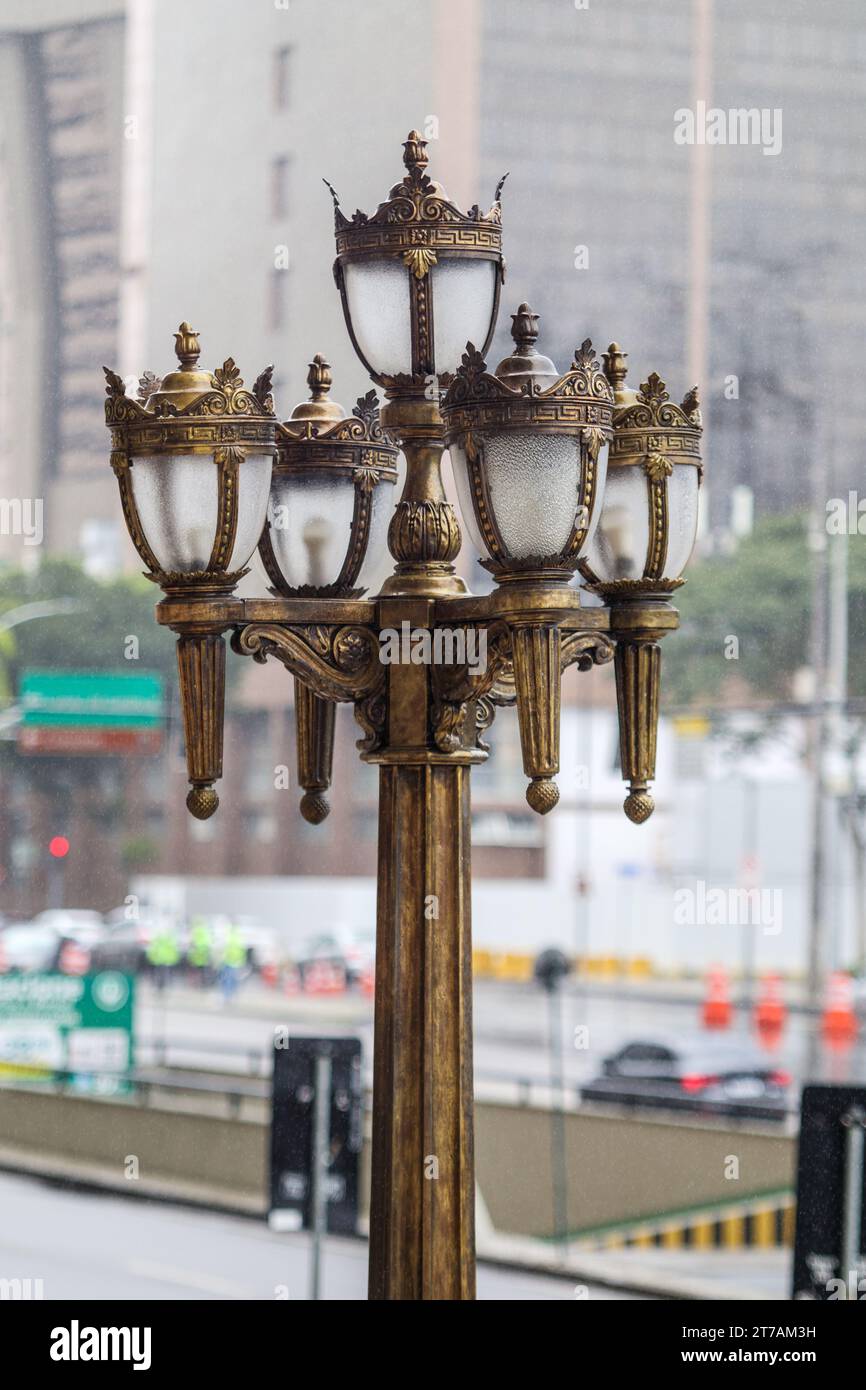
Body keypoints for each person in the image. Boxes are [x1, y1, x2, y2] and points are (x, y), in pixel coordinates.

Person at [218, 922, 247, 1005]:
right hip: (236, 962)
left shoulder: (229, 937)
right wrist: (242, 961)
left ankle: (227, 996)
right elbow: (242, 951)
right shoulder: (239, 938)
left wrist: (222, 959)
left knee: (227, 980)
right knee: (233, 980)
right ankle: (232, 996)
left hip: (229, 962)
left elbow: (225, 950)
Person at [146, 923, 179, 991]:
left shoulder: (158, 939)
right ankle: (163, 984)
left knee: (160, 972)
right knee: (164, 973)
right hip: (164, 959)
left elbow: (153, 949)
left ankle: (161, 984)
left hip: (160, 959)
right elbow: (173, 949)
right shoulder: (169, 939)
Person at [186, 917, 213, 987]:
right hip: (202, 956)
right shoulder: (205, 932)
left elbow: (192, 944)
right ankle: (203, 983)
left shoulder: (196, 932)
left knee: (197, 971)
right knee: (203, 971)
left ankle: (199, 983)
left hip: (198, 956)